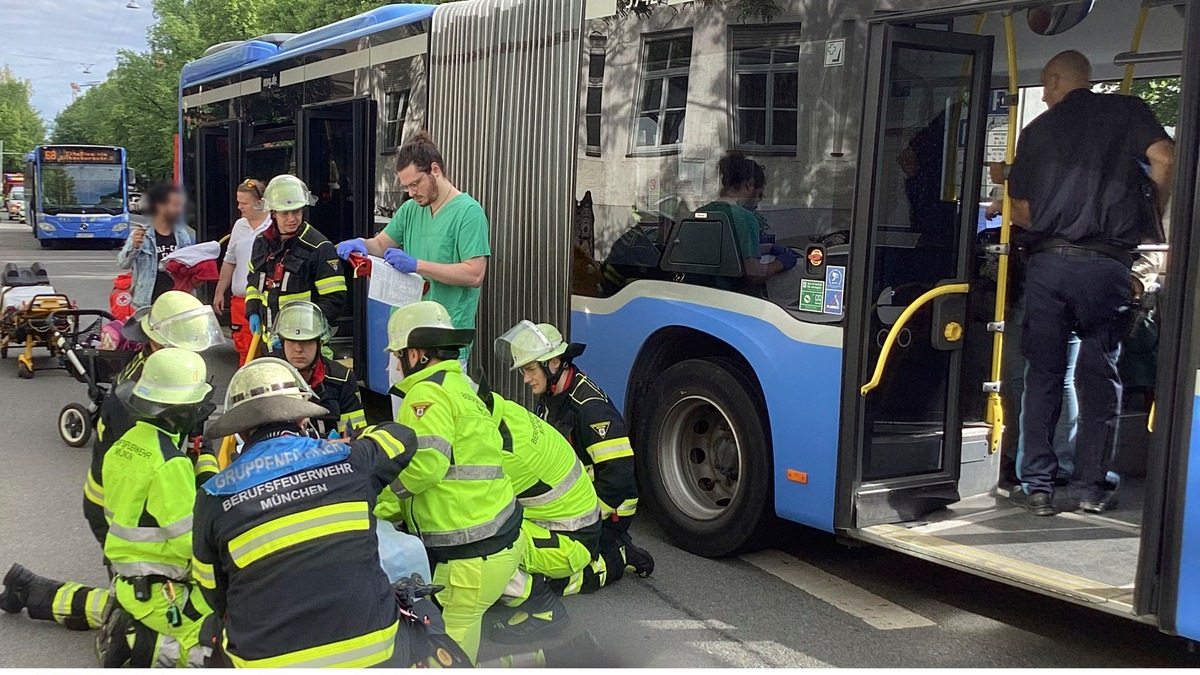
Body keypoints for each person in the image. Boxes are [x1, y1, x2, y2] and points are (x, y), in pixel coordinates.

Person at [191, 357, 467, 668]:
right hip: (373, 653)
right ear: (301, 420)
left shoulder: (213, 495)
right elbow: (402, 437)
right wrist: (353, 442)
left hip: (265, 662)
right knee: (424, 613)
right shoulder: (351, 460)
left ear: (241, 432)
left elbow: (213, 594)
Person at [999, 50, 1173, 515]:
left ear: (1055, 81)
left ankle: (1037, 485)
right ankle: (1090, 487)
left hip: (1049, 266)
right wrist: (1148, 211)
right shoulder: (1129, 111)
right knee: (1099, 375)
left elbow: (1023, 211)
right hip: (1108, 266)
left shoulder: (1037, 131)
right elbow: (1165, 159)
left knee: (1045, 375)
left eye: (1045, 85)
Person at [3, 348, 216, 667]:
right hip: (163, 585)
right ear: (181, 411)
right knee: (214, 642)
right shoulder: (170, 464)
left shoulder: (126, 445)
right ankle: (132, 642)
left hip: (130, 577)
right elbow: (191, 543)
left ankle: (29, 589)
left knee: (120, 603)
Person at [376, 301, 523, 663]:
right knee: (465, 632)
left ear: (415, 353)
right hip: (499, 538)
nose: (395, 365)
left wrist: (376, 499)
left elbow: (425, 467)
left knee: (447, 655)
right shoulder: (463, 388)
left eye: (397, 356)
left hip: (469, 553)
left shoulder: (426, 394)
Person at [498, 321, 655, 586]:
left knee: (550, 579)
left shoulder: (590, 409)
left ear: (554, 363)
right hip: (572, 502)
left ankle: (616, 555)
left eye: (530, 370)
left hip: (605, 511)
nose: (526, 379)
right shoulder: (552, 397)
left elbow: (618, 475)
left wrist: (589, 522)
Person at [83, 290, 225, 547]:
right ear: (158, 343)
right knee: (138, 570)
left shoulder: (172, 375)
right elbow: (148, 471)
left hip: (151, 491)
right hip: (121, 503)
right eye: (188, 348)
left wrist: (208, 486)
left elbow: (196, 439)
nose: (196, 358)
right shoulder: (138, 397)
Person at [335, 132, 489, 361]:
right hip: (405, 337)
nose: (411, 193)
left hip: (444, 341)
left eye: (416, 184)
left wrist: (417, 265)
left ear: (435, 170)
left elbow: (474, 274)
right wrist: (362, 244)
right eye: (407, 187)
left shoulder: (468, 212)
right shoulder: (410, 210)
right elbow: (381, 244)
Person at [476, 380, 602, 643]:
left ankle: (542, 608)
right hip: (569, 527)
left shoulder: (506, 452)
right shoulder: (505, 413)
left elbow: (473, 504)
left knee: (478, 534)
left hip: (567, 541)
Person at [244, 174, 346, 341]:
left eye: (296, 212)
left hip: (305, 344)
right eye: (285, 213)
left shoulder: (319, 248)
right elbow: (254, 283)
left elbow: (334, 300)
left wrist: (298, 333)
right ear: (273, 213)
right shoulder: (262, 243)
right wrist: (253, 310)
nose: (292, 219)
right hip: (268, 341)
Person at [269, 300, 366, 438]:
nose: (298, 349)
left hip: (328, 456)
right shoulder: (267, 375)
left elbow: (356, 436)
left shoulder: (342, 378)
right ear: (282, 342)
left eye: (306, 341)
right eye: (291, 341)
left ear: (319, 343)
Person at [212, 178, 271, 365]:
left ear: (259, 203)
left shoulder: (274, 225)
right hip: (240, 302)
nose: (239, 207)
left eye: (244, 203)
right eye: (239, 202)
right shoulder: (239, 225)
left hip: (267, 299)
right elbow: (230, 261)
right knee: (245, 352)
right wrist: (220, 291)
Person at [117, 183, 195, 311]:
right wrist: (135, 247)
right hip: (147, 301)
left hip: (175, 301)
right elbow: (123, 263)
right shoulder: (142, 234)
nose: (178, 210)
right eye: (174, 206)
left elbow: (188, 268)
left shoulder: (182, 235)